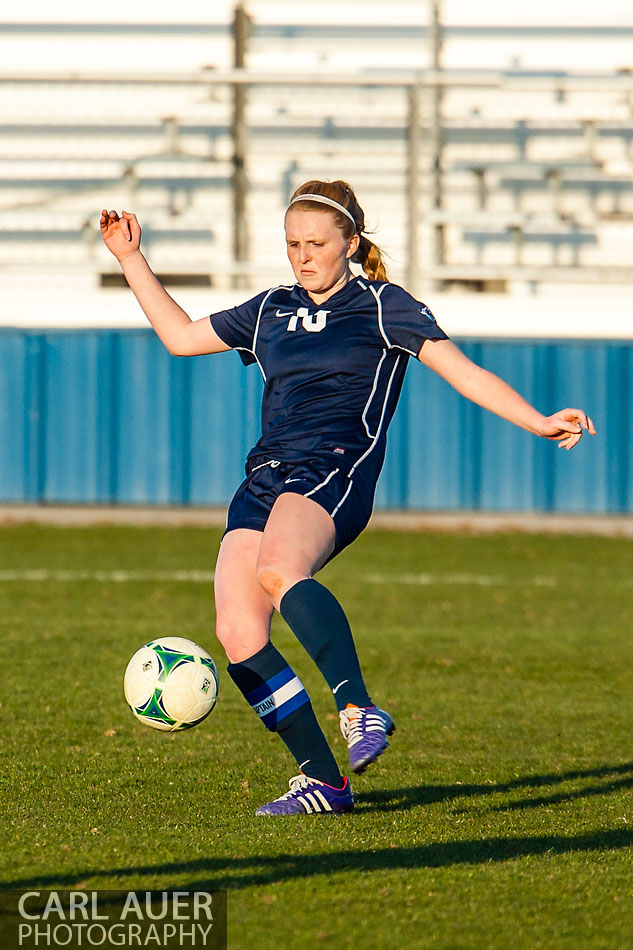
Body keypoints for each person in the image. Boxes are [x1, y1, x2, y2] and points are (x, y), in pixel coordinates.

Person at [100, 179, 596, 816]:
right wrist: (130, 258)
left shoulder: (384, 305)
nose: (302, 256)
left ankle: (359, 708)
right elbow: (180, 337)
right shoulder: (271, 308)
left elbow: (462, 371)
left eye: (315, 243)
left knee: (280, 569)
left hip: (337, 464)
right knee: (237, 629)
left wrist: (539, 420)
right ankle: (325, 784)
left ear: (351, 244)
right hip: (266, 473)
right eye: (292, 244)